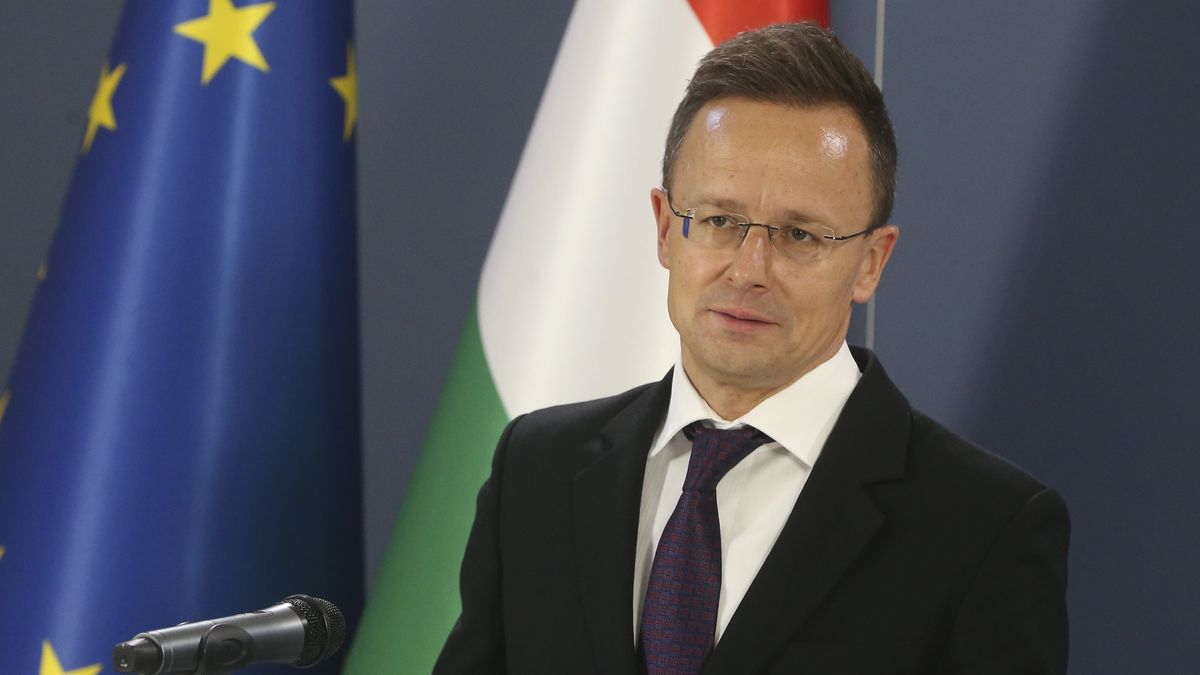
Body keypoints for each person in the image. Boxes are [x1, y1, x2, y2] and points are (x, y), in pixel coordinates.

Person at [434, 22, 1069, 675]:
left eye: (800, 234)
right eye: (719, 220)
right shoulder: (536, 471)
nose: (748, 269)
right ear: (665, 229)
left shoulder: (985, 527)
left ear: (871, 262)